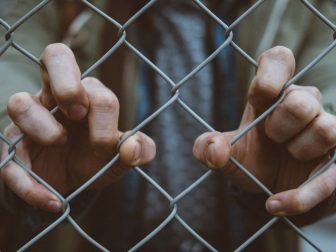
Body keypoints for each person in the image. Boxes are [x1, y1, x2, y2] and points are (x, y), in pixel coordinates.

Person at [0, 0, 336, 251]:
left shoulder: (306, 8)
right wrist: (20, 140)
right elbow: (10, 77)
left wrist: (316, 144)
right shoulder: (54, 7)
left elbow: (329, 96)